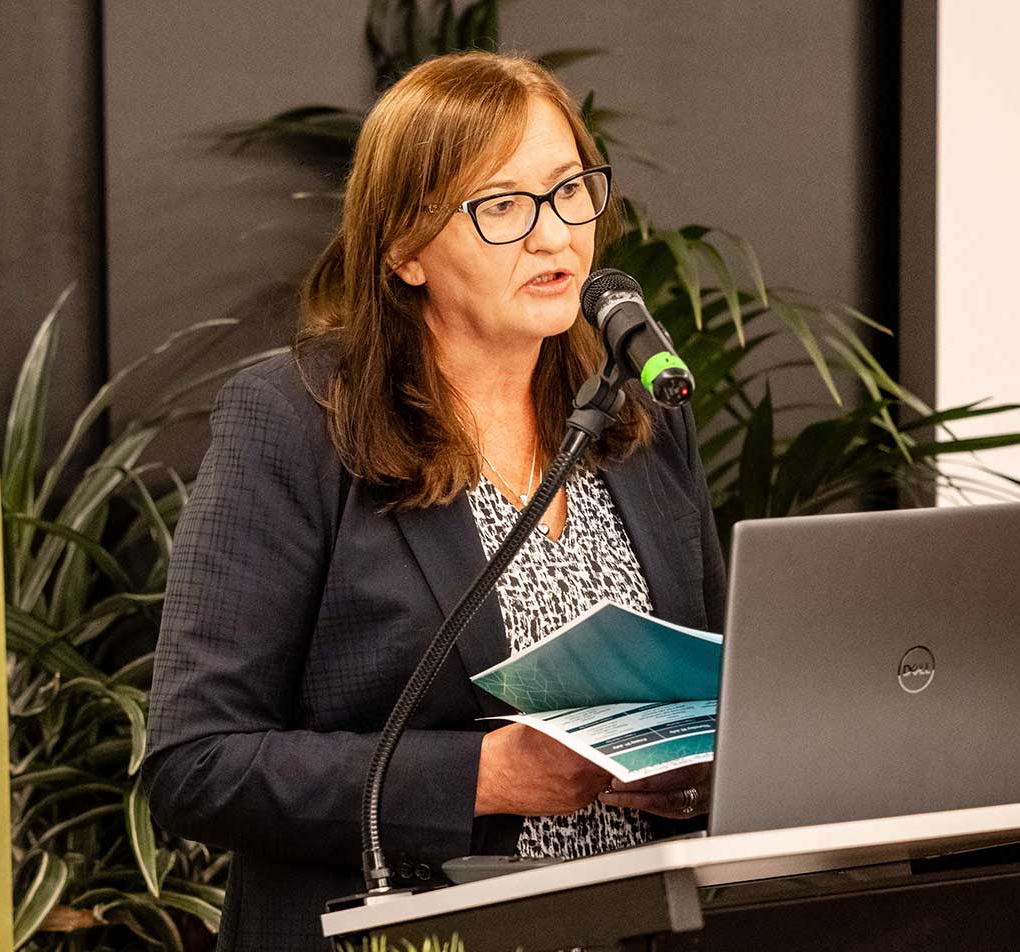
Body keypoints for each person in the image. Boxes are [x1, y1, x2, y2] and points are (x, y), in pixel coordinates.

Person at [143, 50, 727, 951]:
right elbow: (195, 764)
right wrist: (483, 776)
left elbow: (721, 691)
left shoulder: (637, 408)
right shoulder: (298, 422)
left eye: (571, 189)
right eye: (502, 207)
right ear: (405, 251)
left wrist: (702, 768)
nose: (555, 235)